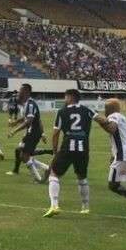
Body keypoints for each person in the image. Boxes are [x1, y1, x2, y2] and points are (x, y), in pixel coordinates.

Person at [44, 89, 94, 218]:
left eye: (65, 97)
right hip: (83, 148)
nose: (64, 99)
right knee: (82, 177)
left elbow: (56, 133)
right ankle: (85, 207)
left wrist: (55, 151)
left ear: (71, 97)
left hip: (67, 147)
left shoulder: (62, 112)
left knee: (54, 174)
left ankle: (54, 205)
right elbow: (100, 119)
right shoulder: (87, 110)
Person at [7, 83, 50, 182]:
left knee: (24, 156)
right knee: (20, 151)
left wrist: (14, 131)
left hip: (33, 132)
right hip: (31, 132)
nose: (18, 92)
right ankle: (46, 168)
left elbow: (29, 121)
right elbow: (27, 118)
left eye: (20, 90)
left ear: (26, 92)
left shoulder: (30, 104)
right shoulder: (26, 104)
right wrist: (16, 122)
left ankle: (40, 176)